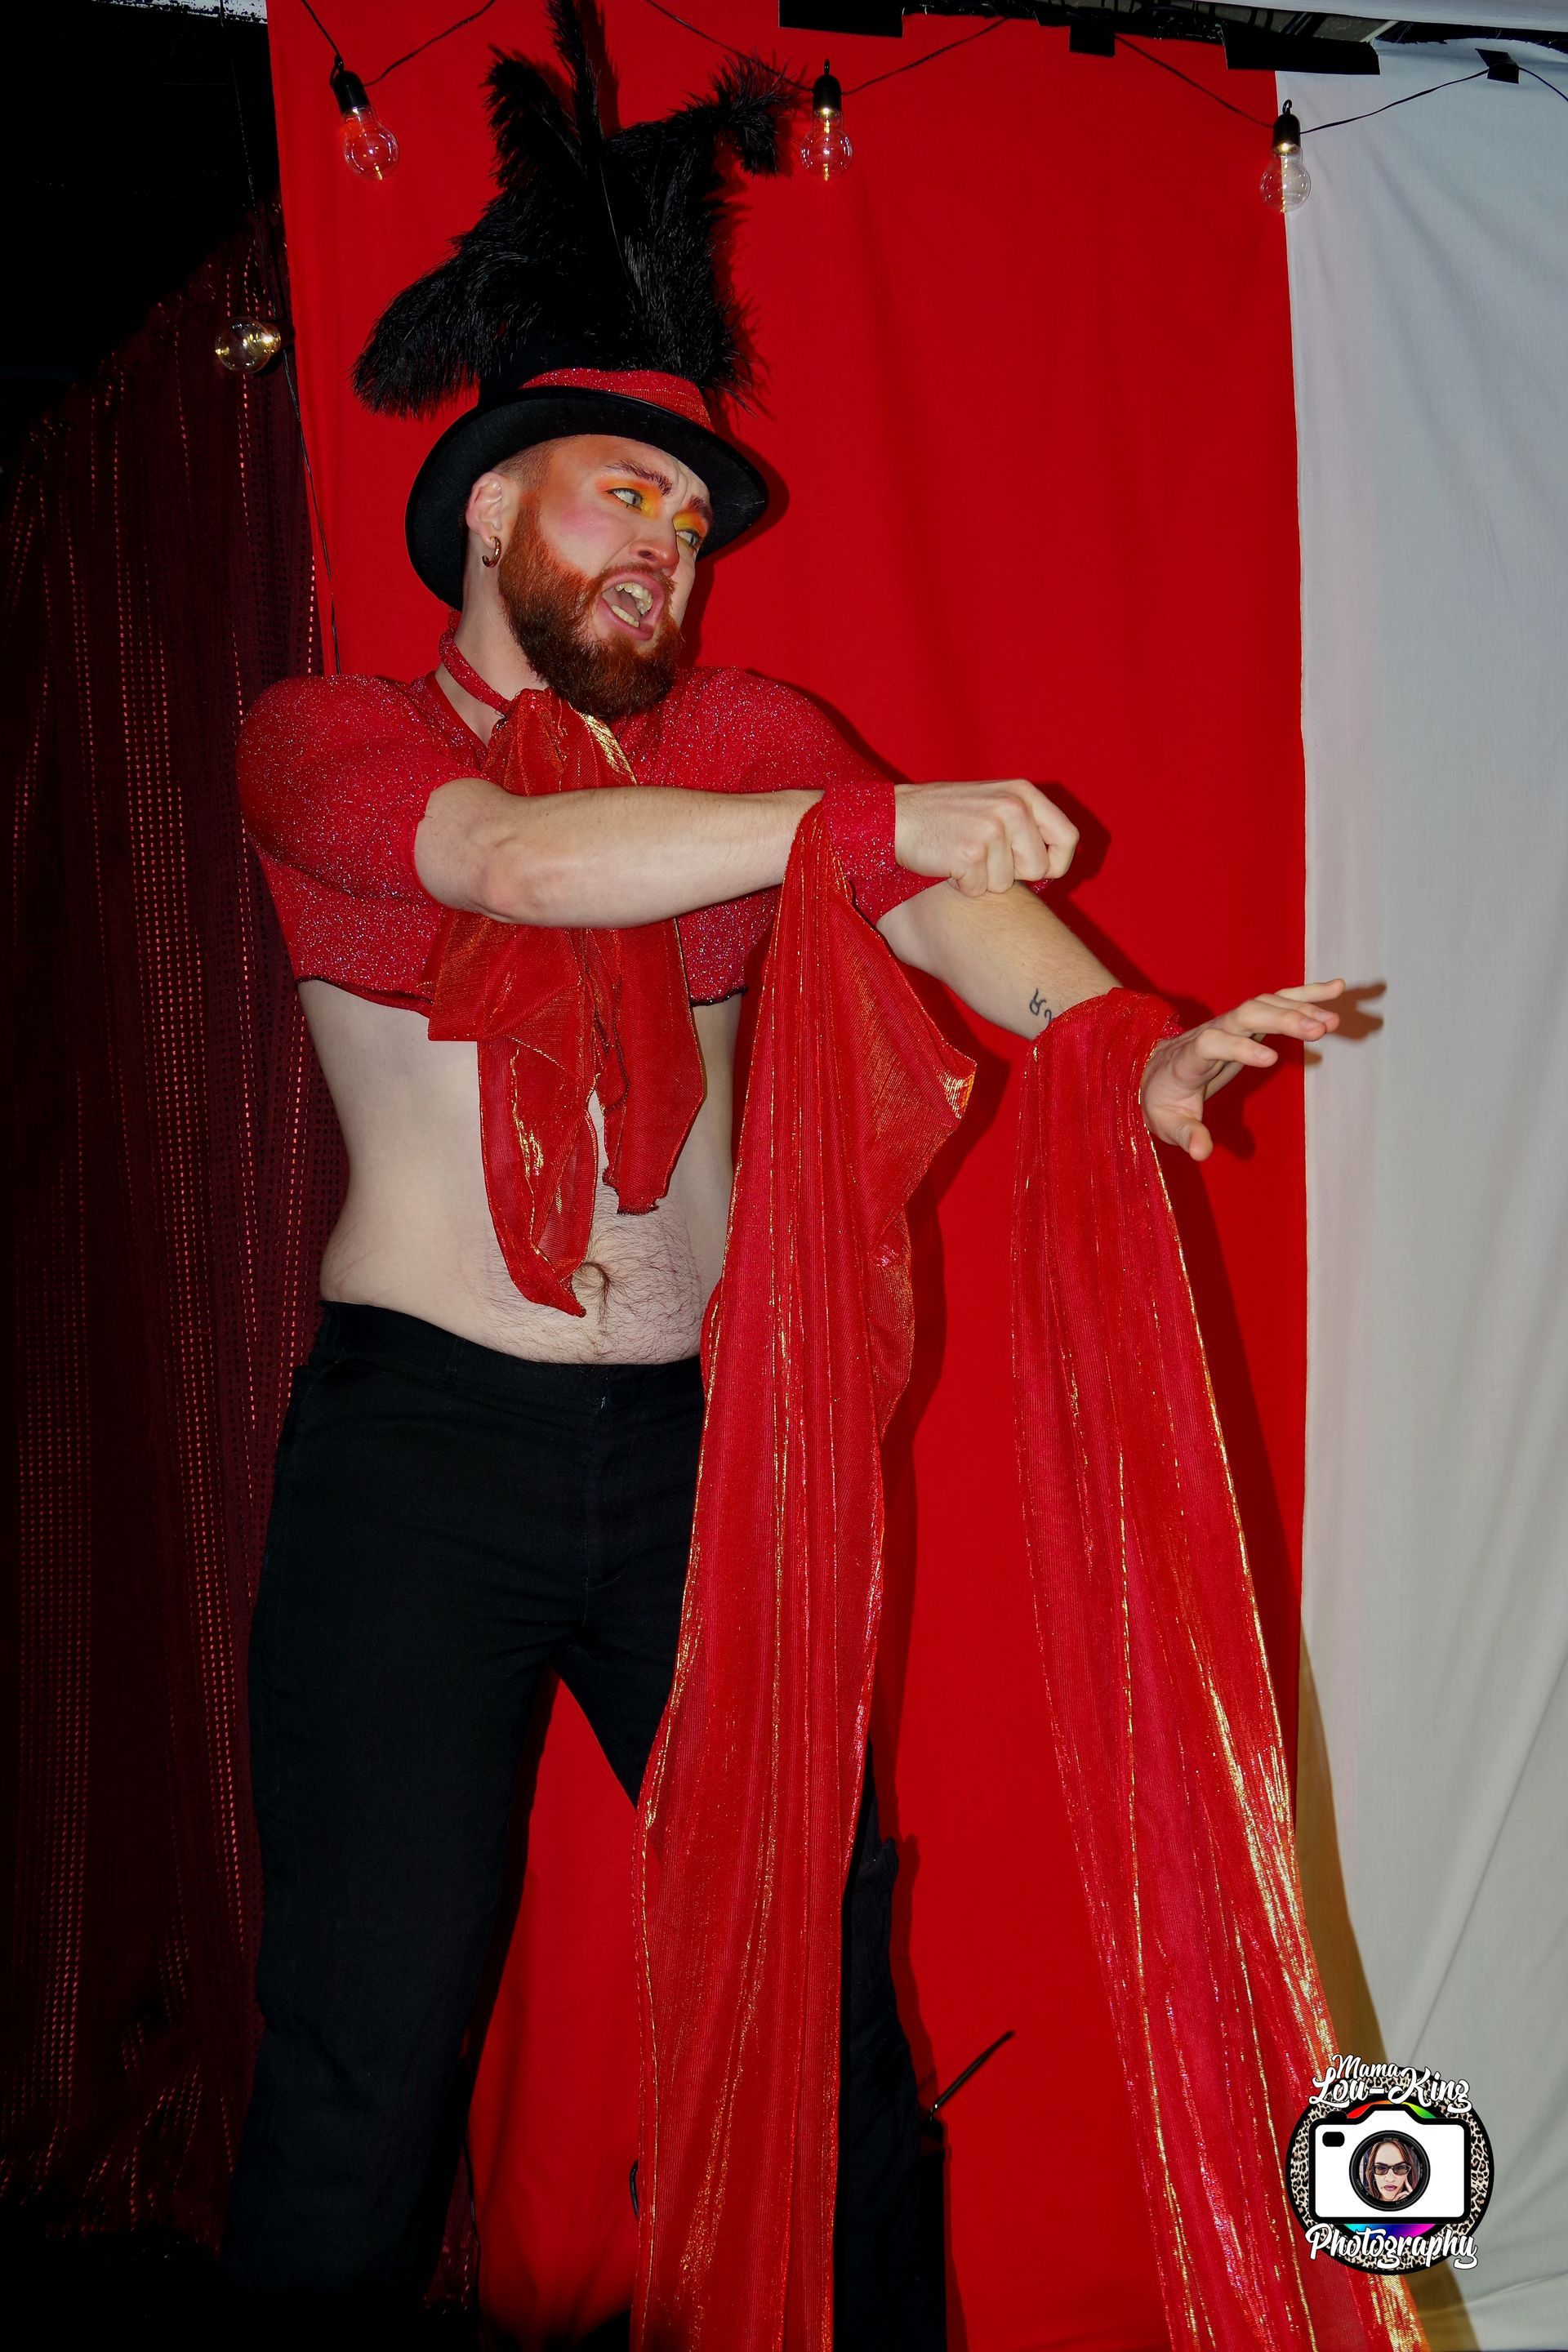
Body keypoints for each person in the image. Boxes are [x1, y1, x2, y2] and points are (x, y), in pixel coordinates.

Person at [220, 6, 1343, 2338]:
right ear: (490, 510)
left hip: (712, 1469)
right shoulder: (331, 734)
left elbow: (940, 907)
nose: (670, 544)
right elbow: (521, 870)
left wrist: (1121, 1042)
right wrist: (861, 824)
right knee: (365, 2063)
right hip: (418, 1459)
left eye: (692, 519)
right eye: (623, 497)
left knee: (831, 2032)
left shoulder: (744, 739)